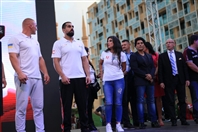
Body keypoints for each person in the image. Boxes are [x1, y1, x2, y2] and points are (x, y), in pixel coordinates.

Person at [8, 18, 50, 132]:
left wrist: (45, 72)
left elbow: (40, 59)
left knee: (38, 108)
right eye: (35, 25)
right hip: (24, 78)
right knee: (21, 108)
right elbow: (12, 56)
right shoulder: (15, 38)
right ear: (30, 25)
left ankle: (40, 130)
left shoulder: (35, 42)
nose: (36, 27)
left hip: (37, 78)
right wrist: (20, 72)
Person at [51, 21, 90, 132]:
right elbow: (56, 62)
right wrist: (62, 75)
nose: (71, 28)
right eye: (69, 26)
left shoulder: (79, 43)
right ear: (63, 30)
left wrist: (87, 75)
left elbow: (84, 60)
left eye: (72, 26)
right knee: (67, 106)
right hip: (66, 79)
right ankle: (67, 129)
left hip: (80, 78)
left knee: (83, 106)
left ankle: (85, 128)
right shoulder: (58, 43)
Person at [158, 38, 190, 126]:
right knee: (170, 100)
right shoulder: (162, 56)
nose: (168, 44)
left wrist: (187, 79)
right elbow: (160, 70)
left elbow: (184, 68)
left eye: (170, 42)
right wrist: (161, 81)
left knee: (182, 100)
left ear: (174, 44)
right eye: (167, 43)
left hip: (180, 79)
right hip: (169, 81)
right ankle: (173, 120)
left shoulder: (179, 54)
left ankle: (183, 119)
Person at [130, 37, 160, 129]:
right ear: (135, 46)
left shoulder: (148, 56)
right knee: (140, 101)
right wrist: (145, 75)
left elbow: (153, 67)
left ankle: (154, 121)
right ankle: (141, 122)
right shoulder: (134, 56)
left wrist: (151, 75)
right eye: (138, 43)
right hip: (140, 81)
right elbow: (135, 68)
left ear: (144, 44)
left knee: (151, 101)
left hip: (150, 81)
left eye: (141, 43)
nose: (140, 45)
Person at [99, 36, 126, 132]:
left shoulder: (122, 54)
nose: (108, 42)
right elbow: (100, 63)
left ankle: (118, 124)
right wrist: (102, 75)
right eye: (107, 41)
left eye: (110, 41)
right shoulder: (104, 53)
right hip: (107, 81)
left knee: (118, 102)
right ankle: (108, 125)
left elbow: (124, 67)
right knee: (109, 102)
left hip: (119, 80)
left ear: (115, 42)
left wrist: (118, 74)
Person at [144, 42, 165, 126]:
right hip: (146, 79)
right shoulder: (141, 55)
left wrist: (153, 75)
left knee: (158, 99)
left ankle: (160, 118)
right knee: (149, 100)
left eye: (143, 45)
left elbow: (158, 66)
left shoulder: (155, 54)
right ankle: (153, 118)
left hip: (155, 79)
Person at [121, 39, 136, 128]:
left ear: (129, 45)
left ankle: (137, 121)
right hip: (124, 78)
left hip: (135, 79)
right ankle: (126, 121)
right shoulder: (120, 55)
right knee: (125, 100)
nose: (123, 46)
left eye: (125, 44)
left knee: (135, 100)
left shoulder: (134, 55)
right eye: (122, 45)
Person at [183, 34, 198, 124]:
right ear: (195, 41)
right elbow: (190, 64)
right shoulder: (187, 51)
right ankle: (197, 116)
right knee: (196, 97)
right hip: (193, 79)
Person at [84, 47, 98, 131]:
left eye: (87, 53)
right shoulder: (80, 63)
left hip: (93, 86)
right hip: (86, 87)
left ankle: (90, 123)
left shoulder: (89, 63)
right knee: (86, 107)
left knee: (89, 107)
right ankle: (88, 124)